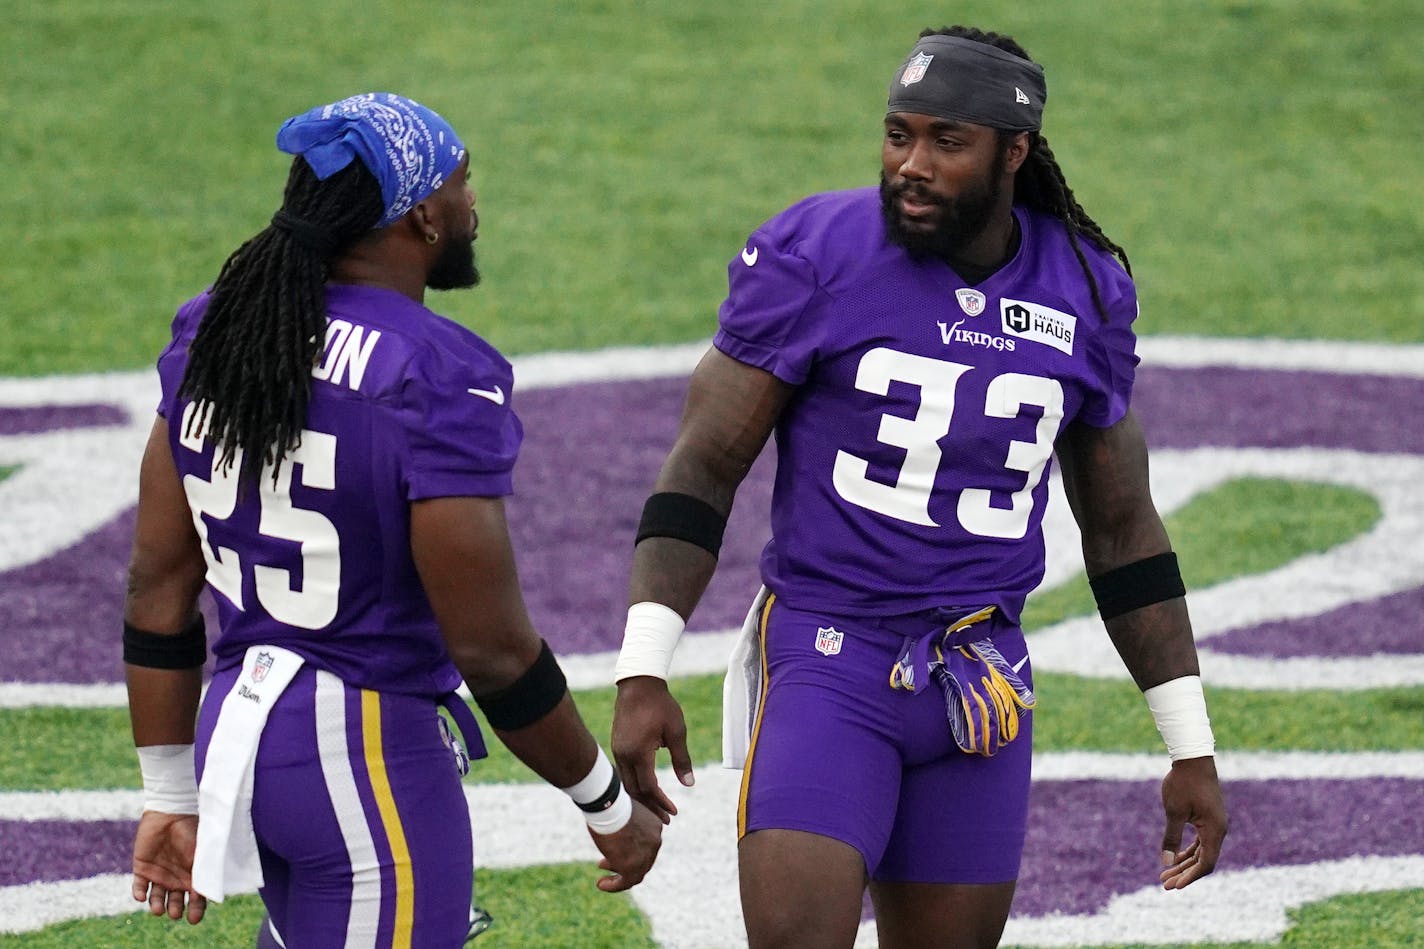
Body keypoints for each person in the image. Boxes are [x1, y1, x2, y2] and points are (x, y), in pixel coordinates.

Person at [610, 26, 1228, 949]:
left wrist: (1189, 741)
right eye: (900, 134)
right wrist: (643, 663)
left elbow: (1124, 529)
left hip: (979, 682)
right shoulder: (819, 251)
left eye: (948, 141)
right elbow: (704, 464)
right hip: (831, 660)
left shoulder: (1085, 290)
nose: (912, 164)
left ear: (1014, 152)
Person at [123, 92, 662, 947]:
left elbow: (158, 586)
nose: (472, 201)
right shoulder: (436, 370)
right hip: (364, 751)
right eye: (462, 180)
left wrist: (167, 787)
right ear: (422, 216)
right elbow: (491, 647)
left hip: (238, 734)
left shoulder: (216, 333)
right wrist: (603, 797)